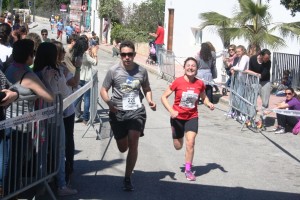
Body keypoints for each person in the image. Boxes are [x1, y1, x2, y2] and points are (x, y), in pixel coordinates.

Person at [100, 40, 156, 191]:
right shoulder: (113, 71)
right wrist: (109, 103)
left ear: (134, 55)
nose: (126, 57)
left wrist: (150, 100)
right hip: (117, 112)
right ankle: (120, 139)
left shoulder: (141, 71)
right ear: (120, 55)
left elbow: (147, 88)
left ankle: (127, 177)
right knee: (123, 147)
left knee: (133, 140)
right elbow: (103, 90)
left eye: (129, 54)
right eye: (123, 54)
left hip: (136, 111)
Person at [33, 42, 78, 196]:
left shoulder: (34, 72)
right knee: (59, 151)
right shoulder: (56, 72)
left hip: (38, 118)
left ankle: (41, 185)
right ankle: (61, 185)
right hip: (54, 118)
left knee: (41, 152)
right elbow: (64, 93)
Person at [161, 57, 214, 181]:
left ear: (196, 69)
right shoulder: (177, 82)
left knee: (190, 142)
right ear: (184, 68)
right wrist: (171, 110)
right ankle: (177, 136)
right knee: (178, 146)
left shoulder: (200, 83)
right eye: (188, 65)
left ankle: (188, 169)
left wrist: (208, 103)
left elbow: (204, 97)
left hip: (192, 116)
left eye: (193, 66)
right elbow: (163, 97)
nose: (190, 68)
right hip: (177, 117)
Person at [245, 49, 272, 114]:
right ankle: (251, 116)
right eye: (265, 58)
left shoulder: (268, 62)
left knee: (265, 102)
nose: (267, 59)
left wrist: (254, 73)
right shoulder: (253, 59)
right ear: (261, 56)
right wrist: (255, 74)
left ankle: (262, 119)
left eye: (268, 58)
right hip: (254, 81)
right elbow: (248, 70)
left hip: (265, 82)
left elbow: (263, 74)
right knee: (251, 99)